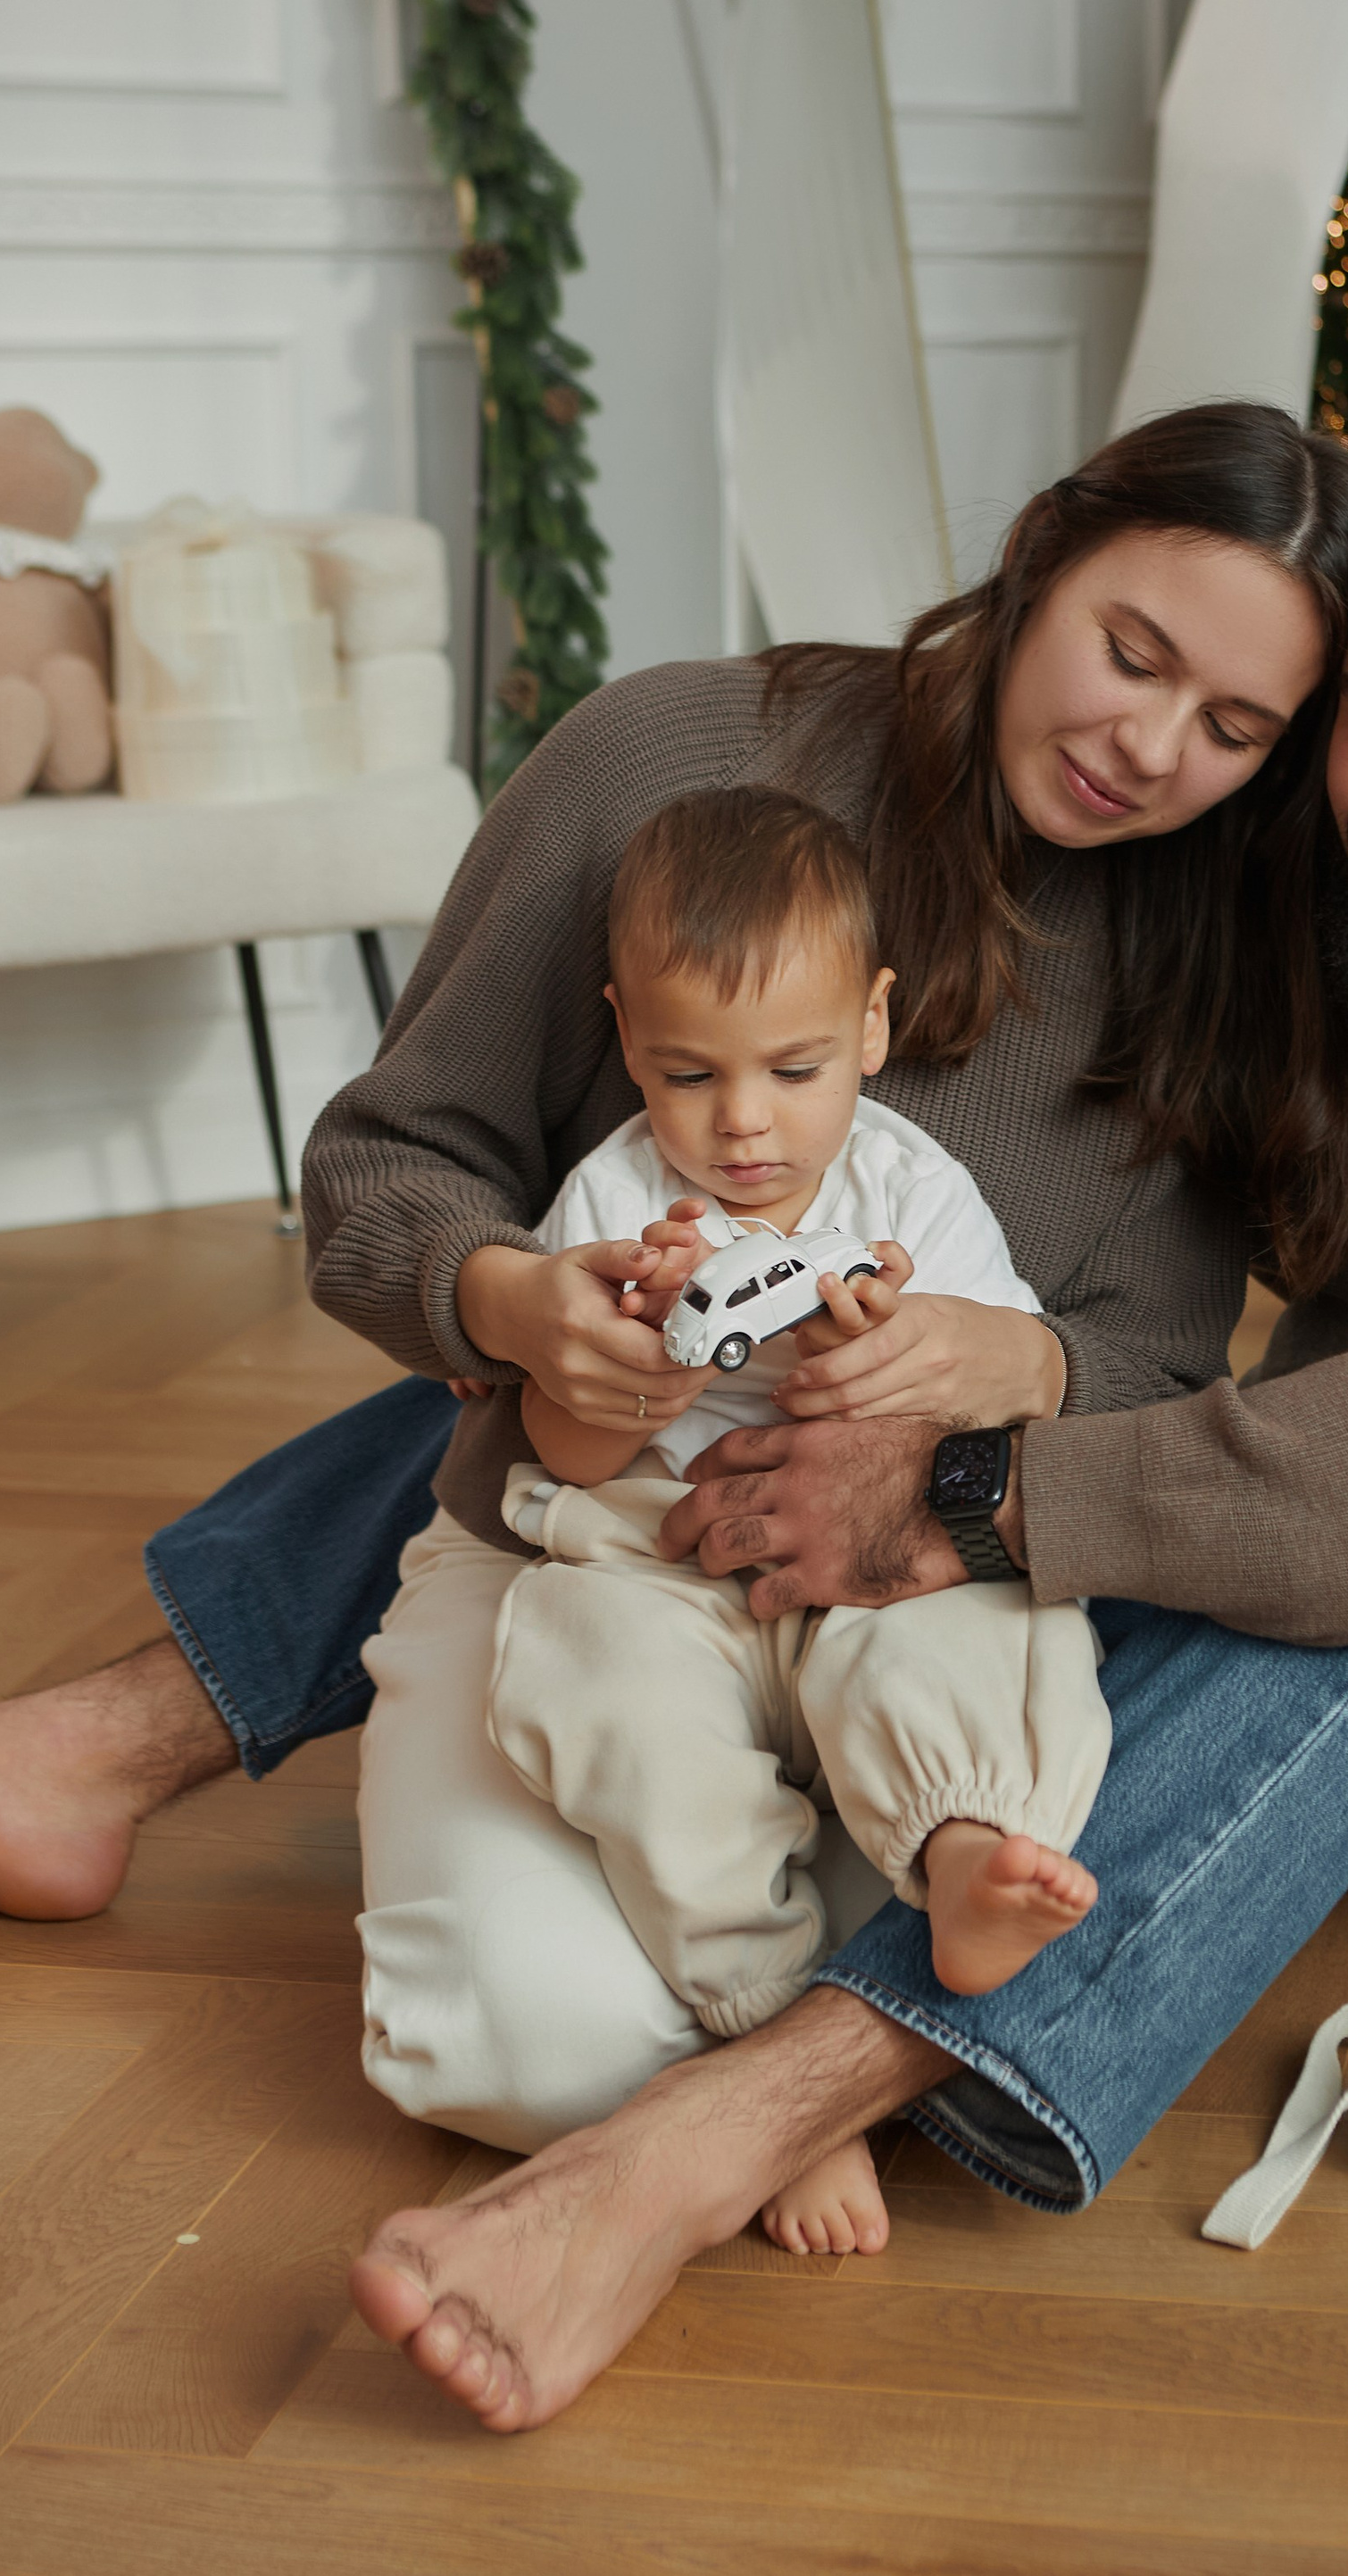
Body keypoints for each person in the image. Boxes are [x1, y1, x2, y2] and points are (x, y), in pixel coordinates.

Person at [0, 433, 1348, 2446]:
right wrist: (727, 1316)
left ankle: (730, 2127)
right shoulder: (1307, 876)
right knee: (714, 1346)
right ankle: (116, 1738)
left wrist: (980, 1493)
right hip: (1331, 1464)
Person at [391, 779, 1112, 2256]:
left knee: (994, 1619)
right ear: (625, 1039)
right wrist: (634, 1367)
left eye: (793, 1068)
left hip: (874, 1559)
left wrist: (877, 1354)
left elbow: (1002, 1405)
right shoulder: (613, 1200)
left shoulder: (917, 1190)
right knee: (586, 1667)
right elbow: (560, 1451)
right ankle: (765, 2019)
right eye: (687, 1073)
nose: (742, 1123)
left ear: (872, 1026)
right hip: (662, 1560)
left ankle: (967, 1846)